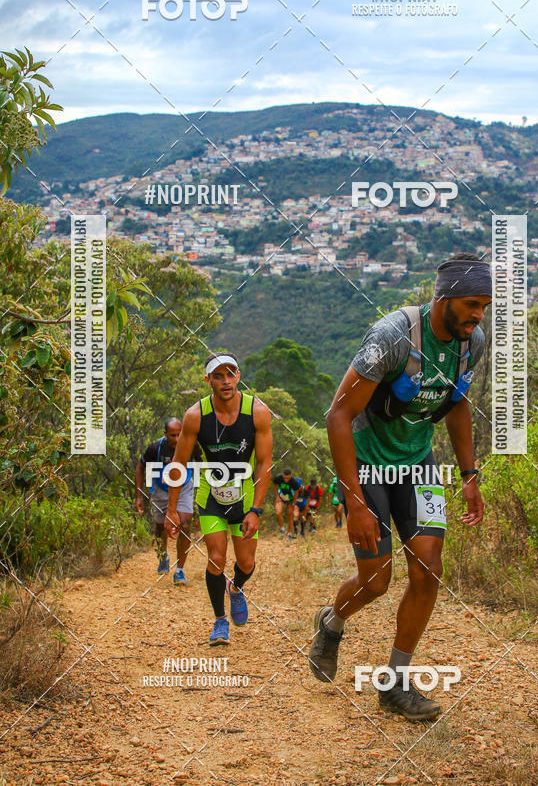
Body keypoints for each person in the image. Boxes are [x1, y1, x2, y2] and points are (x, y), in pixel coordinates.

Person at [308, 254, 491, 721]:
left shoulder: (473, 344)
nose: (478, 315)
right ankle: (331, 623)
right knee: (376, 581)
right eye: (472, 304)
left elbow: (458, 405)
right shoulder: (392, 337)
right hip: (367, 467)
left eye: (485, 306)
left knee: (428, 571)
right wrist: (354, 500)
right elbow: (338, 415)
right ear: (443, 299)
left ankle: (395, 683)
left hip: (421, 467)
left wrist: (469, 476)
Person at [165, 353, 272, 647]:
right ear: (208, 380)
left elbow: (264, 463)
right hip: (210, 494)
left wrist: (257, 509)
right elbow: (179, 462)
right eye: (218, 376)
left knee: (247, 563)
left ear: (238, 376)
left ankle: (235, 588)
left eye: (231, 374)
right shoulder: (195, 416)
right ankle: (219, 622)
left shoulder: (258, 412)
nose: (226, 381)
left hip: (245, 494)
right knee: (216, 558)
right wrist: (172, 509)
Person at [134, 418, 201, 585]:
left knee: (185, 525)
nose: (177, 439)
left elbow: (200, 464)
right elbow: (140, 468)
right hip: (161, 489)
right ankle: (163, 555)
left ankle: (180, 571)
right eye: (173, 435)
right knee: (160, 526)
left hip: (184, 487)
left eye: (180, 434)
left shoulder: (191, 445)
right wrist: (138, 496)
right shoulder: (155, 448)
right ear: (165, 434)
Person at [272, 468, 301, 539]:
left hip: (290, 499)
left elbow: (296, 493)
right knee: (278, 512)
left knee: (290, 514)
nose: (286, 480)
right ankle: (282, 529)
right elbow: (274, 484)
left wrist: (293, 503)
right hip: (281, 497)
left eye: (287, 478)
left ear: (290, 476)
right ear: (282, 475)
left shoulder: (294, 482)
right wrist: (277, 496)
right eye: (284, 478)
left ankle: (290, 533)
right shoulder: (278, 478)